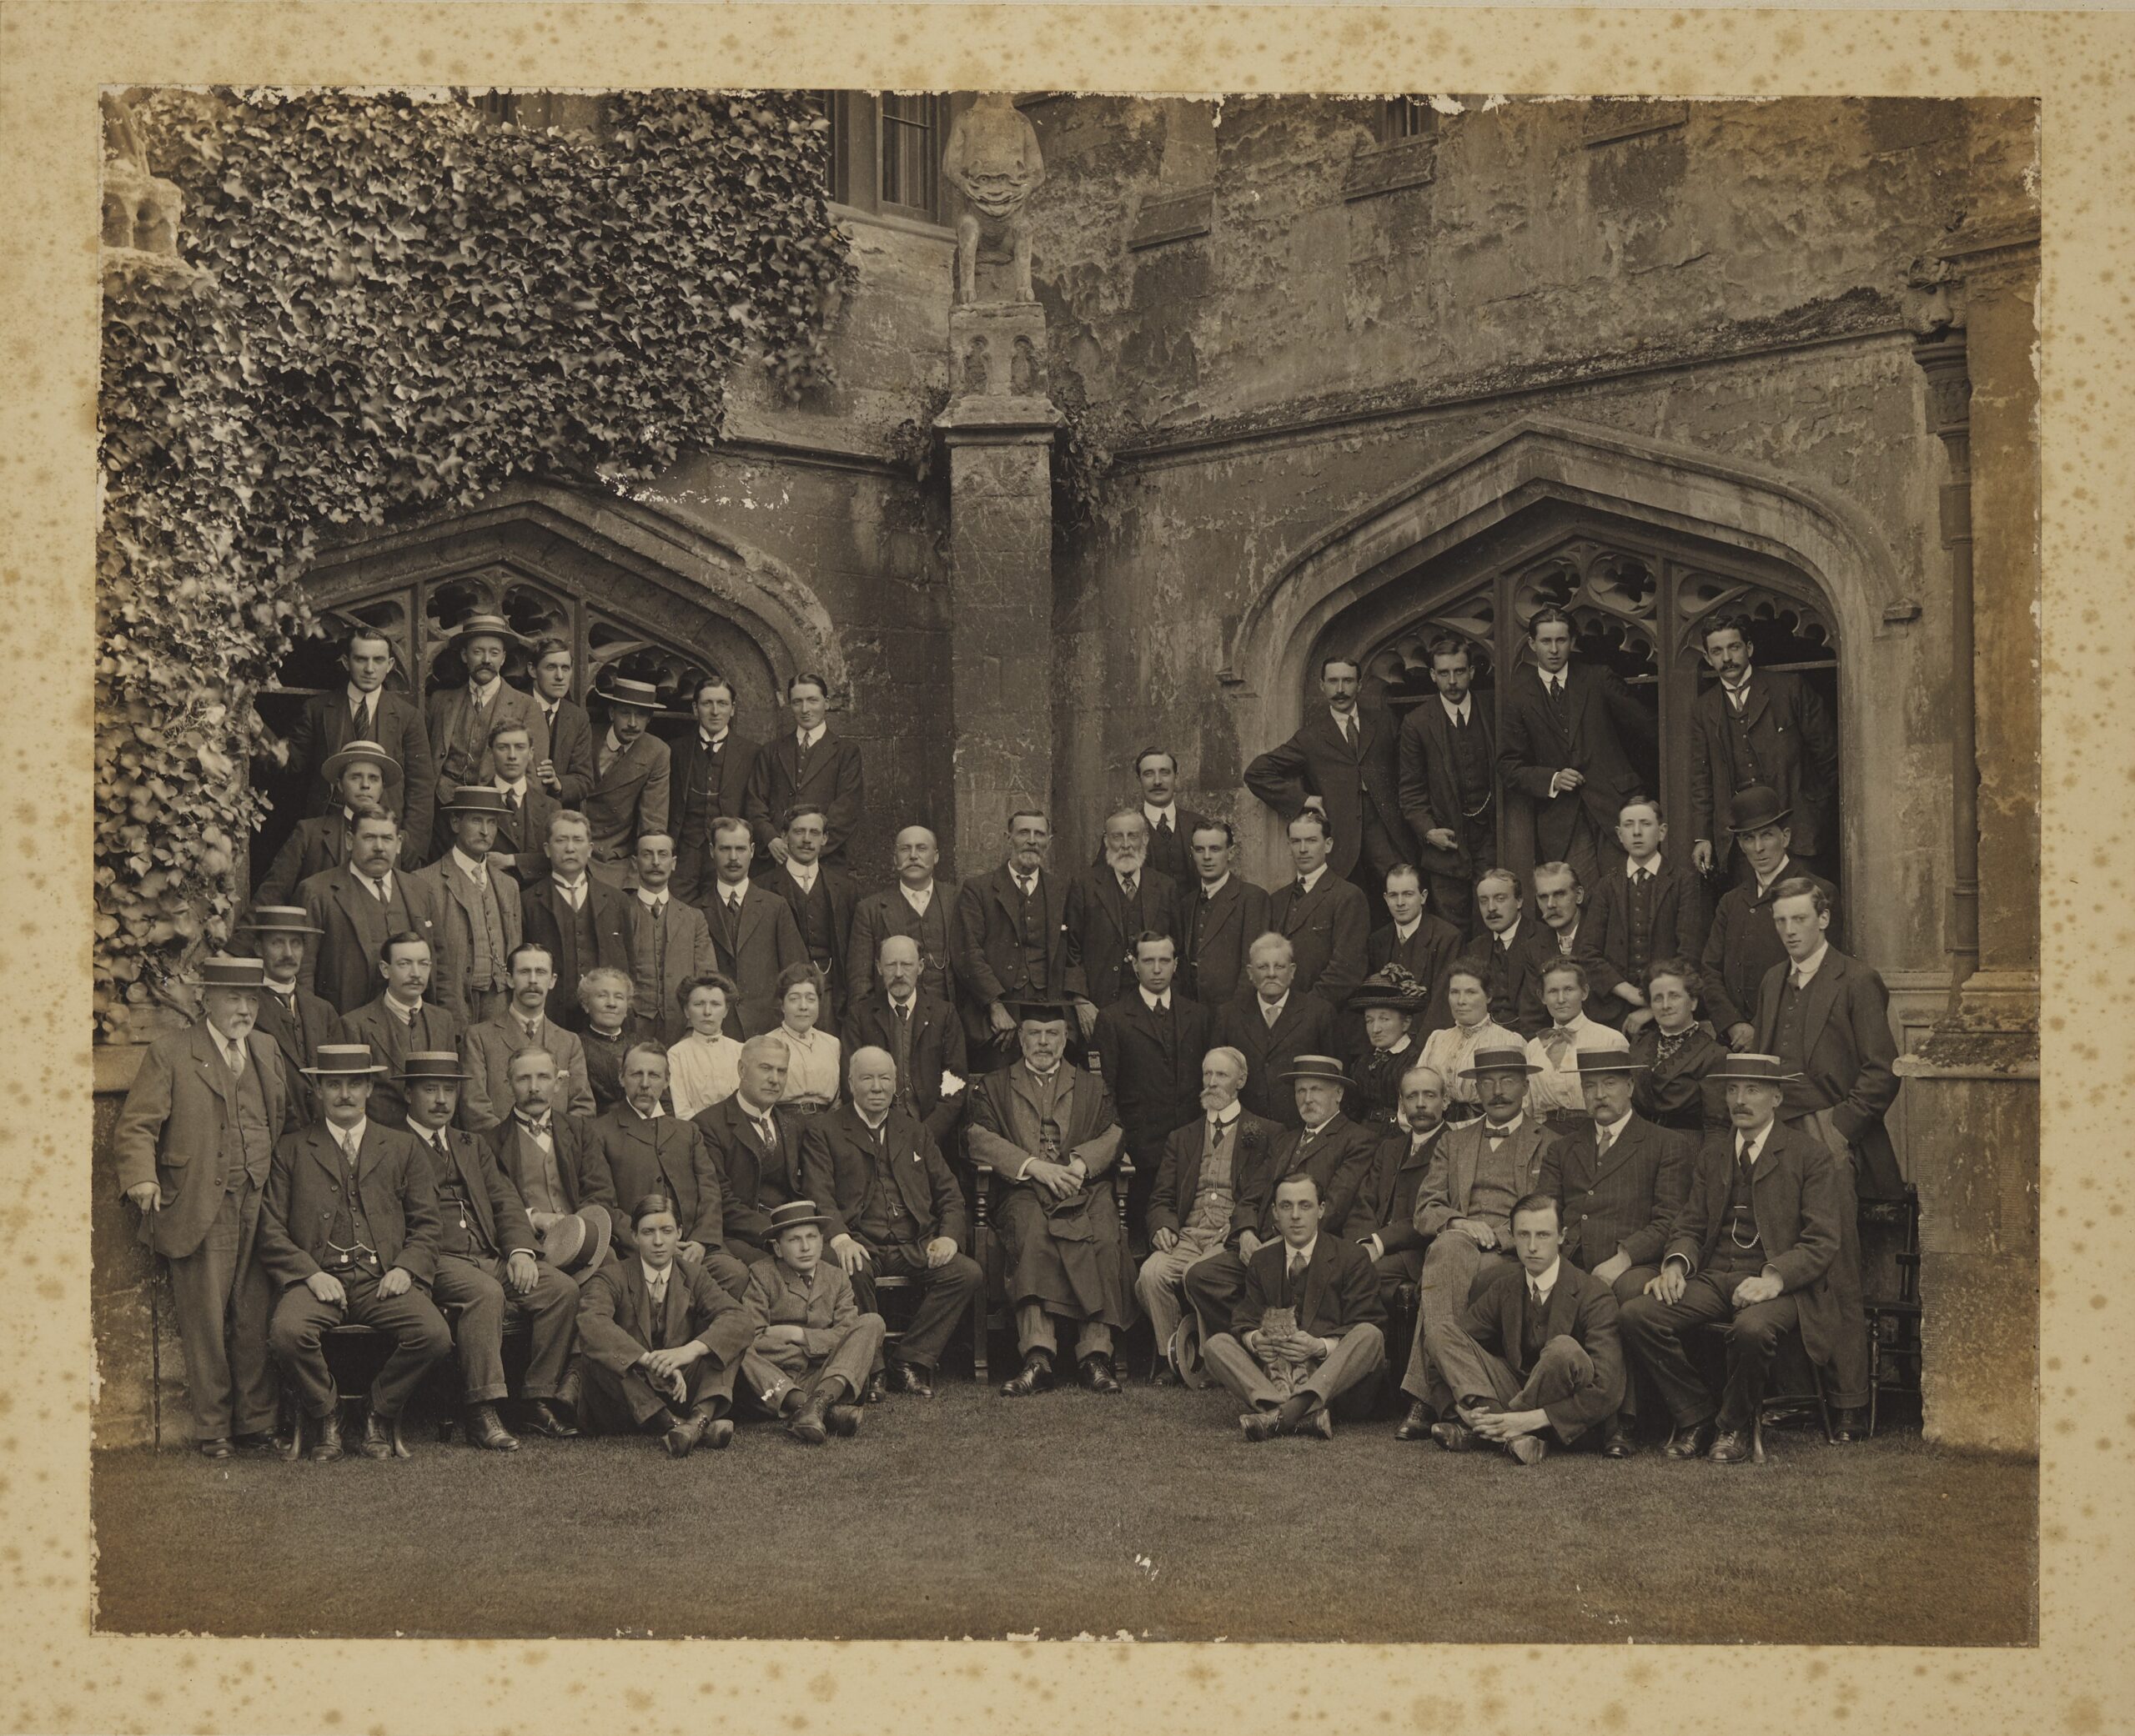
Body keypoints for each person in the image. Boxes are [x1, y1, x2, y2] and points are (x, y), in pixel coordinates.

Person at [1616, 1054, 1848, 1465]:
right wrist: (1675, 1265)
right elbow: (1689, 1224)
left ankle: (1734, 1425)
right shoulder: (1714, 1155)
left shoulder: (1809, 1155)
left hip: (1783, 1287)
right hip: (1714, 1276)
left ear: (1777, 1097)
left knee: (1752, 1329)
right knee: (1638, 1315)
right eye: (1732, 1090)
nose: (1740, 1100)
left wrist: (1774, 1277)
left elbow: (1823, 1241)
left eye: (1753, 1090)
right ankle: (1697, 1416)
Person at [113, 954, 294, 1458]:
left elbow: (279, 1121)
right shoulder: (172, 1052)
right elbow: (137, 1126)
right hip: (197, 1202)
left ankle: (256, 1422)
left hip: (258, 1200)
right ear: (206, 1000)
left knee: (255, 1313)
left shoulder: (265, 1048)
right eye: (233, 998)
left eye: (251, 999)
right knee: (205, 1319)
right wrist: (143, 1179)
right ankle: (214, 1428)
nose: (244, 1009)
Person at [258, 1042, 454, 1463]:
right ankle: (326, 1415)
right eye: (333, 1085)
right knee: (288, 1334)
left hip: (381, 1280)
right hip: (318, 1280)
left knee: (434, 1335)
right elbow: (270, 1229)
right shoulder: (292, 1149)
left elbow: (427, 1225)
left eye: (353, 1084)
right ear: (318, 1090)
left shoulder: (401, 1147)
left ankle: (377, 1412)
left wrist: (405, 1268)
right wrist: (310, 1274)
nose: (344, 1094)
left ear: (368, 1088)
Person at [1756, 876, 1901, 1437]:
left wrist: (1837, 1131)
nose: (1789, 931)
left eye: (1799, 919)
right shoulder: (1772, 981)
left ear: (1823, 919)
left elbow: (1882, 1070)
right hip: (1779, 1131)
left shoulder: (1858, 979)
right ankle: (1794, 1393)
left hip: (1834, 1137)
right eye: (1781, 922)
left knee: (1831, 1259)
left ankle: (1848, 1401)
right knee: (1770, 1250)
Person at [397, 1051, 580, 1450]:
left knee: (561, 1290)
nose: (442, 1100)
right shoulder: (391, 1144)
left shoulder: (470, 1143)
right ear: (409, 1094)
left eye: (449, 1090)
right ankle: (482, 1410)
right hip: (437, 1259)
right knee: (485, 1293)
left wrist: (519, 1252)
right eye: (430, 1090)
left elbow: (505, 1201)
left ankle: (536, 1397)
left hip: (489, 1254)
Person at [966, 996, 1133, 1396]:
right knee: (1031, 1233)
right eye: (1035, 1033)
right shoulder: (994, 1086)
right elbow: (976, 1137)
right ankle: (1037, 1357)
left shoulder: (1092, 1086)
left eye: (1052, 1034)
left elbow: (1114, 1133)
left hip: (1083, 1188)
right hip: (1024, 1189)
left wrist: (1078, 1165)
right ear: (1020, 1038)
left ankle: (1095, 1356)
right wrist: (1033, 1166)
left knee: (1105, 1236)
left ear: (1065, 1037)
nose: (1044, 1042)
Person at [1391, 1045, 1560, 1441]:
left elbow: (1552, 1209)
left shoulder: (1550, 1142)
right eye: (1486, 1082)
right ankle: (1451, 1397)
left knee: (1442, 1264)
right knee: (1448, 1250)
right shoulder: (1455, 1142)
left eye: (1506, 1081)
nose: (1497, 1091)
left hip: (1515, 1251)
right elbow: (1426, 1209)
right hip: (1459, 1242)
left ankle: (1429, 1396)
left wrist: (1502, 1235)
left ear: (1524, 1086)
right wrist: (1461, 1223)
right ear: (1476, 1091)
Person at [800, 1046, 984, 1401]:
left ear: (895, 1084)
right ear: (850, 1082)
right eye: (867, 1078)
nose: (876, 1087)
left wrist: (948, 1238)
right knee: (848, 1268)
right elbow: (818, 1194)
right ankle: (874, 1366)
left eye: (885, 1078)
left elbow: (949, 1193)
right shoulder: (825, 1130)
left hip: (913, 1243)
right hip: (860, 1241)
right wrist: (839, 1238)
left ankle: (910, 1360)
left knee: (966, 1273)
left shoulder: (914, 1131)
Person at [1539, 1050, 1690, 1454]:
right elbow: (1545, 1215)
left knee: (1621, 1296)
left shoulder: (1665, 1144)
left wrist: (1623, 1258)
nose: (1598, 1095)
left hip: (1635, 1262)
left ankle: (1623, 1422)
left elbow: (1670, 1220)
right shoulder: (1563, 1148)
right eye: (1589, 1086)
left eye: (1608, 1084)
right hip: (1570, 1258)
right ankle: (1540, 1406)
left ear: (1630, 1088)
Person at [1175, 1054, 1382, 1343]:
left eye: (1316, 1090)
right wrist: (1246, 1232)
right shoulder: (1286, 1138)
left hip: (1308, 1248)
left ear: (1338, 1094)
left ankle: (1286, 1349)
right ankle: (1257, 1348)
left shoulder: (1356, 1140)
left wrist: (1282, 1242)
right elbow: (1251, 1195)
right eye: (1300, 1090)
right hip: (1261, 1246)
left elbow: (1334, 1206)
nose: (1307, 1099)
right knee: (1201, 1277)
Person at [1420, 1193, 1626, 1464]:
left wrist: (1527, 1419)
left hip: (1564, 1406)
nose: (1532, 1246)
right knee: (1440, 1333)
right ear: (1513, 1237)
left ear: (1562, 1236)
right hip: (1513, 1388)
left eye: (1543, 1235)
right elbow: (1452, 1347)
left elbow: (1608, 1389)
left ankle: (1488, 1432)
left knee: (1563, 1349)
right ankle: (1511, 1436)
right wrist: (1461, 1410)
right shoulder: (1505, 1286)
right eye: (1523, 1235)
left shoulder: (1593, 1293)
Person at [1203, 1173, 1387, 1441]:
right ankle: (1300, 1417)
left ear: (1321, 1209)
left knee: (1371, 1335)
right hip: (1278, 1377)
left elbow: (1371, 1321)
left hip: (1336, 1385)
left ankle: (1282, 1415)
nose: (1296, 1216)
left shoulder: (1351, 1257)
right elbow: (1245, 1316)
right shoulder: (1262, 1259)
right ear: (1275, 1213)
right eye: (1287, 1206)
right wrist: (1255, 1339)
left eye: (1305, 1205)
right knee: (1216, 1345)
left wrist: (1320, 1346)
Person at [1138, 1046, 1283, 1382]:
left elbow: (1261, 1196)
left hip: (1228, 1237)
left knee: (1197, 1273)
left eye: (1222, 1075)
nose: (1212, 1082)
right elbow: (1160, 1197)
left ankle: (1211, 1360)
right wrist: (1162, 1225)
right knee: (1151, 1273)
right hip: (1189, 1234)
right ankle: (1172, 1358)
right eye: (1207, 1074)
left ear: (1241, 1080)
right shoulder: (1183, 1136)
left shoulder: (1266, 1133)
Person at [571, 1191, 751, 1456]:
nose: (658, 1241)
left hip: (678, 1391)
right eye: (648, 1232)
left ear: (679, 1233)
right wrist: (648, 1361)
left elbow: (740, 1319)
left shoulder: (694, 1275)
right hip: (625, 1399)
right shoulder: (611, 1277)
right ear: (634, 1236)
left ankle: (697, 1420)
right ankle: (676, 1424)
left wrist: (688, 1352)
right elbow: (591, 1323)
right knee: (596, 1354)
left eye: (666, 1231)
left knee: (726, 1343)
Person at [1495, 605, 1655, 893]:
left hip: (1616, 808)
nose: (1554, 649)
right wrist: (1552, 779)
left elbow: (1648, 731)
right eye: (1546, 641)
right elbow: (1508, 765)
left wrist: (1644, 793)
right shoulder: (1518, 698)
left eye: (1561, 640)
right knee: (1581, 899)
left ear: (1572, 641)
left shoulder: (1598, 679)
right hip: (1563, 820)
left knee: (1627, 893)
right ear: (1532, 644)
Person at [1244, 653, 1415, 914]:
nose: (1340, 689)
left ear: (1359, 685)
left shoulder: (1384, 722)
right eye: (1333, 682)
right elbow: (1257, 772)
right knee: (1347, 907)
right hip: (1341, 840)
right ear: (1321, 686)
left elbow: (1411, 769)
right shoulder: (1311, 737)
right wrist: (1304, 800)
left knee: (1398, 899)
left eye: (1348, 681)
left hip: (1387, 834)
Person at [583, 1042, 753, 1299]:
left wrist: (700, 1241)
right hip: (638, 1250)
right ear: (621, 1078)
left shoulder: (687, 1131)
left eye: (654, 1075)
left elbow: (710, 1191)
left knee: (734, 1274)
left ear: (667, 1080)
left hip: (692, 1247)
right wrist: (653, 1244)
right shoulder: (600, 1132)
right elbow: (601, 1203)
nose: (644, 1083)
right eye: (635, 1074)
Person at [1688, 613, 1839, 884]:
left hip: (1798, 833)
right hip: (1742, 841)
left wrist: (1812, 808)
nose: (1727, 658)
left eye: (1734, 647)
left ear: (1749, 648)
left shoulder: (1789, 689)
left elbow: (1829, 757)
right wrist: (1703, 836)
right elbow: (1702, 780)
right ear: (1709, 659)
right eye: (1717, 651)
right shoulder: (1703, 708)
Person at [1697, 785, 1837, 1049]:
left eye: (1767, 836)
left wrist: (1760, 1030)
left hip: (1794, 1041)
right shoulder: (1732, 901)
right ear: (1740, 845)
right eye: (1749, 839)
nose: (1759, 848)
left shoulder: (1818, 891)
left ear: (1785, 838)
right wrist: (1733, 1025)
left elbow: (1822, 973)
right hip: (1736, 1043)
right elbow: (1710, 970)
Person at [283, 625, 436, 868]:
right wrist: (256, 727)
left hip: (383, 837)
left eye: (378, 660)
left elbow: (422, 786)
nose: (369, 669)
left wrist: (410, 846)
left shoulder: (408, 716)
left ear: (391, 665)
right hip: (327, 837)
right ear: (346, 662)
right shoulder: (318, 709)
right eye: (361, 659)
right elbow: (292, 762)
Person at [1093, 932, 1212, 1239]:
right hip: (1139, 1151)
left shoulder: (1198, 1016)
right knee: (1141, 1237)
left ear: (1175, 965)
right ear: (1135, 966)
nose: (1157, 969)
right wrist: (1120, 1147)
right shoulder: (1113, 1018)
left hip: (1190, 1147)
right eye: (1148, 961)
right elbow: (1104, 1090)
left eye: (1164, 961)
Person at [738, 1199, 886, 1442]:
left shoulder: (837, 1277)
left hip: (828, 1375)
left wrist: (798, 1336)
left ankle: (816, 1404)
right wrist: (812, 1352)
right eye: (794, 1240)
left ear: (821, 1242)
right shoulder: (762, 1274)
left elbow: (847, 1332)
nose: (805, 1247)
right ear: (778, 1248)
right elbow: (755, 1338)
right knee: (739, 1350)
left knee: (872, 1322)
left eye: (812, 1237)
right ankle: (817, 1409)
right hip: (776, 1380)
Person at [480, 1046, 615, 1286]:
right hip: (533, 1248)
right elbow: (494, 1207)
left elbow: (599, 1191)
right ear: (508, 1084)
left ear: (558, 1083)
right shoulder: (490, 1143)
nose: (534, 1087)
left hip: (584, 1242)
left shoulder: (580, 1131)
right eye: (523, 1078)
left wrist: (579, 1234)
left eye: (543, 1077)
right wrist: (534, 1218)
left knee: (612, 1274)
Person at [297, 805, 447, 1016]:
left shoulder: (420, 891)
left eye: (387, 838)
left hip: (413, 1027)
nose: (379, 847)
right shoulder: (317, 891)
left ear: (399, 844)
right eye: (369, 838)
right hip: (343, 1023)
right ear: (350, 841)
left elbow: (442, 967)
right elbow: (304, 972)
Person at [952, 809, 1072, 1065]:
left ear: (1048, 842)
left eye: (1039, 834)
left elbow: (1072, 952)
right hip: (997, 1018)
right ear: (1009, 839)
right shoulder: (979, 889)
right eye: (1023, 833)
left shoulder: (1061, 890)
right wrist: (994, 1006)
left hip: (1047, 1013)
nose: (1031, 840)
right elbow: (969, 953)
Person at [1395, 635, 1497, 936]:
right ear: (1432, 676)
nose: (1452, 681)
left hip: (1492, 838)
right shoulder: (1417, 723)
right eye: (1444, 673)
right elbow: (1410, 790)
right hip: (1446, 845)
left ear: (1472, 672)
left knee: (1495, 919)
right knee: (1453, 929)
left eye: (1460, 671)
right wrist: (1428, 832)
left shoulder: (1493, 709)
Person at [425, 612, 548, 841]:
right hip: (443, 810)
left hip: (495, 815)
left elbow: (534, 776)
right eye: (478, 652)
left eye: (494, 653)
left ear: (503, 658)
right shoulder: (440, 701)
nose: (486, 660)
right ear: (464, 656)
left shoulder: (526, 706)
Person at [409, 786, 524, 1026]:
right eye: (476, 821)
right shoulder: (424, 881)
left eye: (492, 823)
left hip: (499, 1003)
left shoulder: (508, 885)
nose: (485, 831)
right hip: (451, 1005)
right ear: (455, 822)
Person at [1064, 808, 1180, 1041]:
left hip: (1153, 1006)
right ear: (1106, 841)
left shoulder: (1165, 887)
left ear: (1145, 839)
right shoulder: (1085, 885)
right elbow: (1070, 947)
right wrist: (1080, 1001)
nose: (1125, 844)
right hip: (1099, 1006)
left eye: (1133, 835)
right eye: (1117, 836)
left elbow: (1179, 949)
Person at [846, 934, 970, 1147]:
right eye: (891, 965)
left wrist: (926, 1134)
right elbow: (850, 1081)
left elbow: (954, 1086)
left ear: (921, 967)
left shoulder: (944, 1015)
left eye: (907, 965)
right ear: (878, 968)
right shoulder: (860, 1016)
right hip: (876, 1137)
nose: (899, 973)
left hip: (932, 1138)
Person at [691, 1034, 805, 1262]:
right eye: (765, 1068)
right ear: (742, 1070)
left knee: (837, 1265)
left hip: (790, 1233)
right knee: (769, 1273)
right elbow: (721, 1200)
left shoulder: (793, 1126)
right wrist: (777, 1231)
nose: (774, 1079)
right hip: (738, 1237)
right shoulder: (708, 1125)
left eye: (781, 1071)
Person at [1347, 1063, 1451, 1308]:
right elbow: (1364, 1202)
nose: (1421, 1104)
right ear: (1402, 1104)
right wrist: (1363, 1243)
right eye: (1411, 1096)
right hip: (1376, 1247)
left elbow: (1431, 1214)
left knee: (1356, 1277)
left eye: (1429, 1095)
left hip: (1418, 1251)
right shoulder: (1390, 1148)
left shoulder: (1454, 1147)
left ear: (1445, 1101)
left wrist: (1378, 1243)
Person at [460, 942, 595, 1132]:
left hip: (556, 1152)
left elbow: (583, 1107)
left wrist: (552, 1143)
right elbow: (474, 1106)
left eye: (540, 972)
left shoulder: (569, 1042)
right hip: (499, 1152)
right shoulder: (479, 1037)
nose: (533, 980)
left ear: (552, 981)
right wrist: (514, 1145)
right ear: (509, 979)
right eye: (524, 972)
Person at [520, 810, 635, 1031]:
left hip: (604, 1023)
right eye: (561, 840)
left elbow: (629, 966)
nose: (570, 848)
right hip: (551, 1018)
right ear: (547, 849)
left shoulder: (616, 900)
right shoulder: (528, 901)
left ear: (590, 849)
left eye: (578, 840)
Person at [338, 932, 467, 1128]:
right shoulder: (355, 1024)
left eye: (423, 964)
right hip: (382, 1140)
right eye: (405, 964)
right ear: (385, 969)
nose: (416, 973)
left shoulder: (443, 1020)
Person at [255, 737, 404, 906]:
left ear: (382, 786)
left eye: (373, 778)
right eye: (356, 777)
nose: (365, 785)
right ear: (339, 785)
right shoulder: (310, 833)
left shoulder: (397, 841)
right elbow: (272, 892)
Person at [1211, 932, 1339, 1127]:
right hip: (1245, 1130)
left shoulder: (1319, 1013)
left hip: (1300, 1128)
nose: (1271, 973)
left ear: (1292, 971)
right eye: (1263, 967)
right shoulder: (1229, 1015)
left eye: (1279, 966)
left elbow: (1335, 1079)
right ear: (1250, 972)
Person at [700, 815, 809, 1038]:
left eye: (740, 849)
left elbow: (795, 973)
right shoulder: (696, 911)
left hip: (769, 1030)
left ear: (751, 850)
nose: (733, 858)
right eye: (724, 849)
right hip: (717, 1032)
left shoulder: (775, 907)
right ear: (712, 851)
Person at [744, 672, 866, 865]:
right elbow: (755, 802)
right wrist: (771, 839)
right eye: (797, 702)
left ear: (826, 703)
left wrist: (811, 849)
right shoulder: (771, 751)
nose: (805, 709)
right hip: (776, 858)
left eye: (812, 701)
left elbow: (846, 809)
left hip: (825, 861)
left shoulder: (846, 752)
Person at [1592, 798, 1692, 1032]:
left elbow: (1689, 953)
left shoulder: (1683, 882)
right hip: (1611, 1013)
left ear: (1662, 832)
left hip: (1668, 1012)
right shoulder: (1606, 885)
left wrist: (1652, 1008)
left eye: (1645, 824)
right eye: (1628, 825)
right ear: (1619, 834)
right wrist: (1629, 992)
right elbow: (1589, 953)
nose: (1637, 832)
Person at [237, 905, 344, 1120]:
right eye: (277, 943)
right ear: (259, 948)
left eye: (295, 943)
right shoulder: (243, 1010)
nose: (288, 953)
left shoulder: (323, 1011)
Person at [667, 672, 758, 903]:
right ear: (695, 708)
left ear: (733, 708)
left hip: (728, 853)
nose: (715, 711)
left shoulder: (752, 753)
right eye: (707, 703)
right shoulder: (675, 750)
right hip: (685, 851)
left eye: (722, 704)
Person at [1264, 810, 1370, 1007]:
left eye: (1311, 840)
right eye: (1296, 841)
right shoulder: (1276, 900)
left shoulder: (1348, 896)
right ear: (1289, 846)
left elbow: (1346, 972)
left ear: (1328, 845)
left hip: (1324, 1016)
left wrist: (1302, 1011)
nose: (1303, 849)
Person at [766, 805, 859, 1028]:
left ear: (825, 838)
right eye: (799, 832)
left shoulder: (845, 889)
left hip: (830, 994)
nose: (807, 840)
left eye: (815, 833)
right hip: (782, 995)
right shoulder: (764, 886)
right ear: (784, 836)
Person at [846, 824, 957, 1009]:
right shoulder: (871, 909)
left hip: (951, 1016)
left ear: (936, 856)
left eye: (922, 848)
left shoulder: (957, 900)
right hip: (894, 1019)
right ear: (895, 858)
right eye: (905, 849)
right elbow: (860, 979)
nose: (913, 856)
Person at [626, 833, 720, 1047]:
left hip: (682, 1031)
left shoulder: (693, 917)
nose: (656, 862)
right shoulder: (620, 911)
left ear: (674, 863)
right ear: (635, 862)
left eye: (663, 855)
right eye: (647, 854)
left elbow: (707, 978)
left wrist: (691, 1028)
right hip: (633, 1030)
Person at [582, 675, 672, 888]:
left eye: (641, 715)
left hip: (615, 858)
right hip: (576, 846)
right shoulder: (586, 736)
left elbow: (653, 819)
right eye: (625, 713)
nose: (633, 723)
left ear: (650, 718)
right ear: (612, 713)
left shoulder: (657, 752)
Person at [1628, 957, 1731, 1142]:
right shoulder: (1639, 1044)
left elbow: (1717, 1127)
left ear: (1692, 1002)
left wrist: (1707, 1167)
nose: (1665, 1005)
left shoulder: (1714, 1055)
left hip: (1687, 1146)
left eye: (1674, 996)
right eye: (1658, 998)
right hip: (1638, 1145)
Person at [1522, 960, 1630, 1135]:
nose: (1561, 999)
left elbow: (1622, 1103)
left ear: (1584, 992)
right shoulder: (1534, 1047)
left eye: (1569, 989)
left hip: (1595, 1133)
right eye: (1552, 991)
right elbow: (1528, 1106)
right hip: (1545, 1135)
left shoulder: (1609, 1039)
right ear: (1542, 997)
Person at [1174, 819, 1270, 1009]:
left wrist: (1235, 1015)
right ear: (1192, 853)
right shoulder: (1187, 903)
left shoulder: (1252, 898)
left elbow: (1253, 966)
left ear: (1231, 852)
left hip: (1233, 1013)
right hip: (1192, 1012)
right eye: (1200, 850)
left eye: (1215, 849)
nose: (1207, 857)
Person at [1530, 860, 1631, 1031]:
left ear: (1579, 895)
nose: (1550, 904)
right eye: (1543, 897)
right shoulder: (1534, 947)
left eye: (1560, 894)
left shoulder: (1608, 935)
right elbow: (1533, 1016)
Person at [1415, 964, 1523, 1126]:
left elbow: (1524, 1102)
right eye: (1454, 992)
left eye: (1471, 992)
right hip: (1436, 1131)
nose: (1461, 1001)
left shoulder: (1508, 1041)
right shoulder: (1436, 1039)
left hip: (1487, 1133)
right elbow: (1416, 1090)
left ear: (1488, 996)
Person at [1459, 866, 1557, 1038]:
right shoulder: (1475, 948)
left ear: (1519, 901)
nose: (1491, 908)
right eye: (1484, 901)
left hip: (1534, 1041)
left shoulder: (1544, 938)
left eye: (1500, 899)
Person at [1366, 862, 1460, 1038]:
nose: (1400, 903)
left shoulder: (1446, 937)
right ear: (1386, 898)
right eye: (1393, 895)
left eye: (1408, 894)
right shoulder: (1377, 940)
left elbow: (1441, 1004)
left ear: (1423, 897)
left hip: (1427, 1041)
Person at [1097, 746, 1209, 884]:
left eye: (1165, 772)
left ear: (1176, 776)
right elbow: (1100, 885)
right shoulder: (1120, 830)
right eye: (1149, 774)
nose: (1157, 781)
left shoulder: (1199, 824)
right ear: (1139, 779)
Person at [1344, 968, 1431, 1127]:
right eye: (1369, 1021)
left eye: (1384, 1019)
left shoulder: (1418, 1060)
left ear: (1406, 1023)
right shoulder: (1361, 1063)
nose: (1375, 1028)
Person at [481, 719, 560, 886]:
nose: (512, 756)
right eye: (503, 747)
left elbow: (558, 858)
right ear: (490, 753)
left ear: (531, 753)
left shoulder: (551, 807)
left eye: (520, 747)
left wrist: (512, 860)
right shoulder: (476, 803)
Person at [527, 636, 597, 808]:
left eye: (565, 668)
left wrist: (558, 782)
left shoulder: (577, 718)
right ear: (532, 670)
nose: (560, 676)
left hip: (555, 815)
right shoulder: (513, 706)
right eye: (551, 667)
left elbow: (585, 780)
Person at [666, 972, 746, 1121]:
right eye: (699, 1004)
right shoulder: (676, 1054)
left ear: (726, 1011)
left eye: (715, 1004)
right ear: (686, 1011)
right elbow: (682, 1111)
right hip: (698, 1134)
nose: (707, 1012)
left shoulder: (741, 1051)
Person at [576, 966, 648, 1113]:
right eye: (602, 996)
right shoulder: (576, 1046)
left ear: (627, 1007)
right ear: (586, 1005)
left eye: (619, 997)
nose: (612, 1004)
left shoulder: (643, 1044)